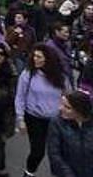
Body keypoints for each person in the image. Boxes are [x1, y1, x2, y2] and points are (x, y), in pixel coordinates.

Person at [15, 44, 65, 177]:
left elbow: (66, 95)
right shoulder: (28, 75)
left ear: (47, 59)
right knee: (38, 151)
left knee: (58, 152)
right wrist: (20, 119)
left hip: (55, 120)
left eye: (39, 57)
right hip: (34, 119)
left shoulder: (59, 76)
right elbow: (20, 97)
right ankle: (29, 173)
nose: (35, 59)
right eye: (34, 56)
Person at [47, 90, 93, 177]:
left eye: (67, 107)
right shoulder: (57, 122)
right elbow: (54, 154)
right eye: (61, 104)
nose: (60, 108)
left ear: (80, 110)